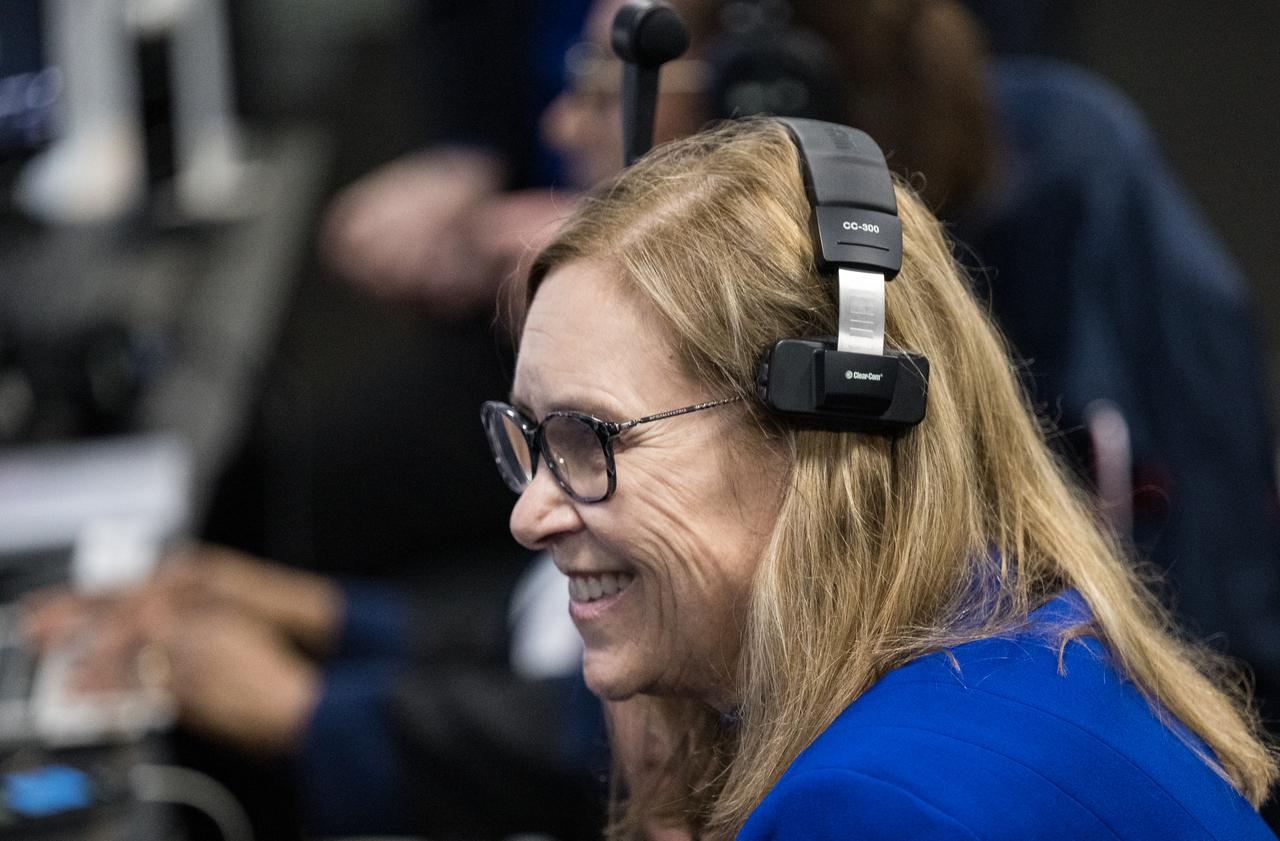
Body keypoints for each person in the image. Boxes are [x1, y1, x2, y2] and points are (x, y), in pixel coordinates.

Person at [485, 117, 1277, 839]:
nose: (532, 515)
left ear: (829, 423)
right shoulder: (1043, 648)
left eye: (588, 437)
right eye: (528, 437)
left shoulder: (874, 804)